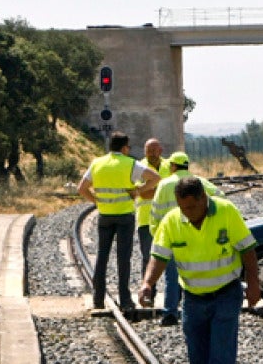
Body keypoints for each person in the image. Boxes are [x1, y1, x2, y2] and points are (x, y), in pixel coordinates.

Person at [138, 177, 260, 364]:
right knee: (198, 357)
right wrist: (148, 284)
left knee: (221, 355)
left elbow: (248, 250)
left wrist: (253, 284)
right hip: (193, 298)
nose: (188, 213)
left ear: (204, 199)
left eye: (192, 207)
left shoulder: (226, 212)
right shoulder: (172, 221)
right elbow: (158, 257)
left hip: (226, 294)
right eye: (183, 208)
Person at [77, 131, 159, 312]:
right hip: (125, 216)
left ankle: (98, 299)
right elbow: (155, 178)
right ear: (124, 147)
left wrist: (97, 201)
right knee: (124, 258)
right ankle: (125, 299)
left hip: (104, 216)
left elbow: (81, 188)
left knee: (102, 257)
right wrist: (138, 191)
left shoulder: (97, 163)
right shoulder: (130, 164)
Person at [148, 151, 220, 326]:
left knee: (171, 277)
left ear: (172, 166)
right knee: (196, 275)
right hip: (197, 237)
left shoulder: (164, 185)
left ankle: (170, 312)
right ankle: (198, 311)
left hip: (171, 238)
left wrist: (158, 236)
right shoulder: (200, 183)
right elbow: (221, 198)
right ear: (187, 166)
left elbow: (155, 213)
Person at [134, 138, 169, 301]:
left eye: (154, 151)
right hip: (146, 220)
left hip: (167, 220)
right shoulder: (138, 167)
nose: (151, 154)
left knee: (172, 258)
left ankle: (174, 296)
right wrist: (163, 191)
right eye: (148, 151)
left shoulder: (169, 166)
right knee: (148, 258)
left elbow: (147, 191)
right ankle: (149, 294)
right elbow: (141, 192)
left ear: (160, 151)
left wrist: (151, 189)